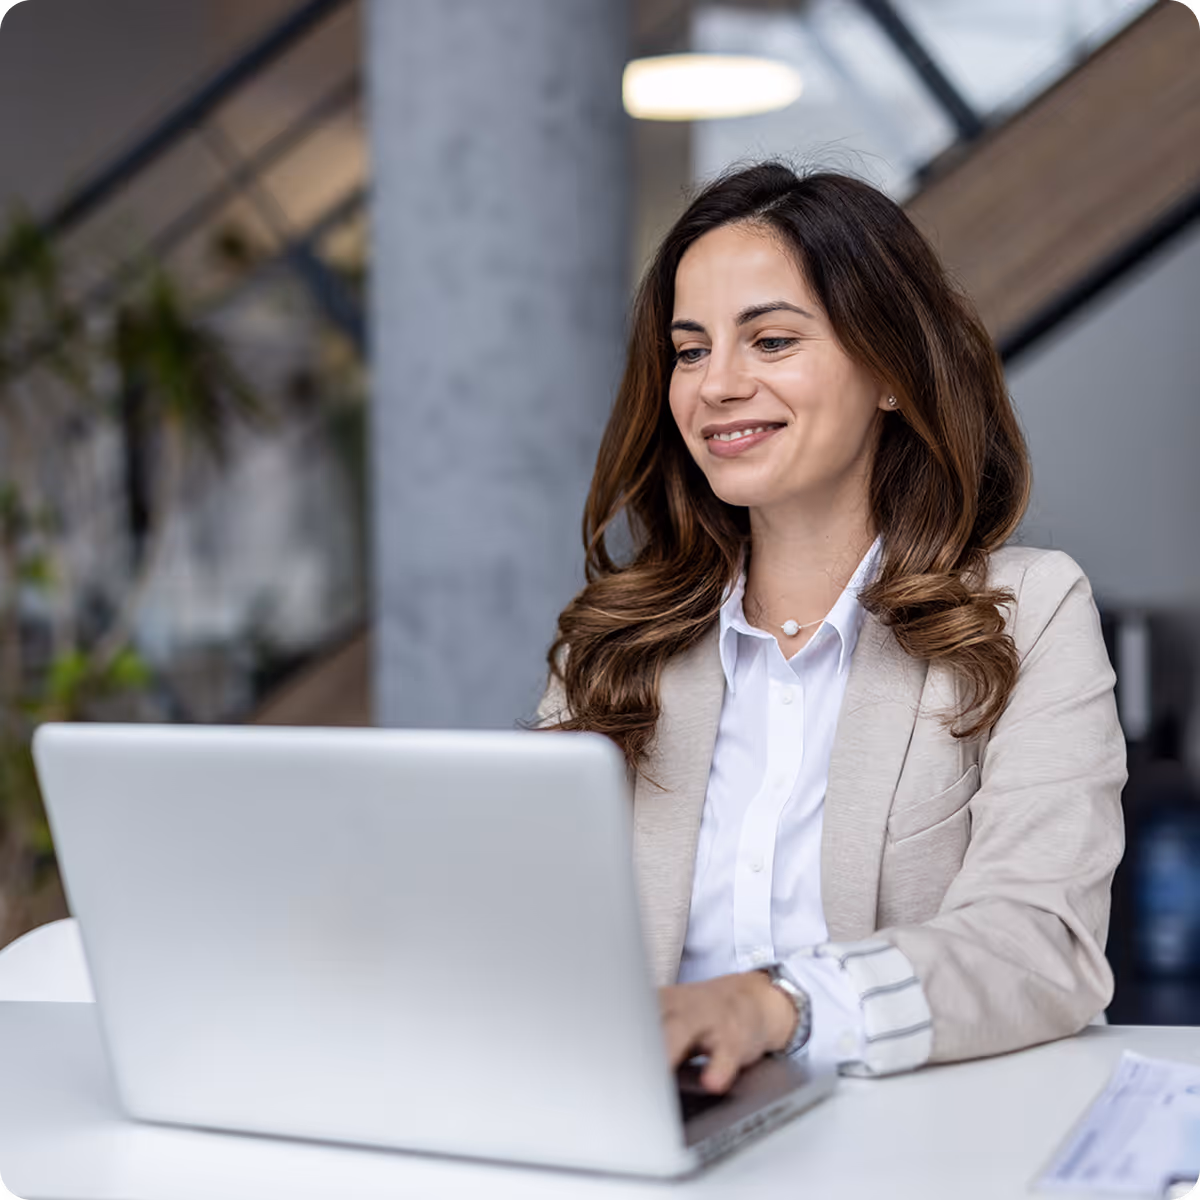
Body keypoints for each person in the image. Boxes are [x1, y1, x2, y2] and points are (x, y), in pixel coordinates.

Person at [536, 163, 1125, 1093]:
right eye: (690, 351)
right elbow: (527, 933)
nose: (717, 385)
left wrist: (774, 1005)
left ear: (890, 373)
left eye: (770, 341)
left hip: (909, 1146)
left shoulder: (1030, 612)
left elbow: (1040, 947)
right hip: (648, 1134)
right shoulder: (614, 647)